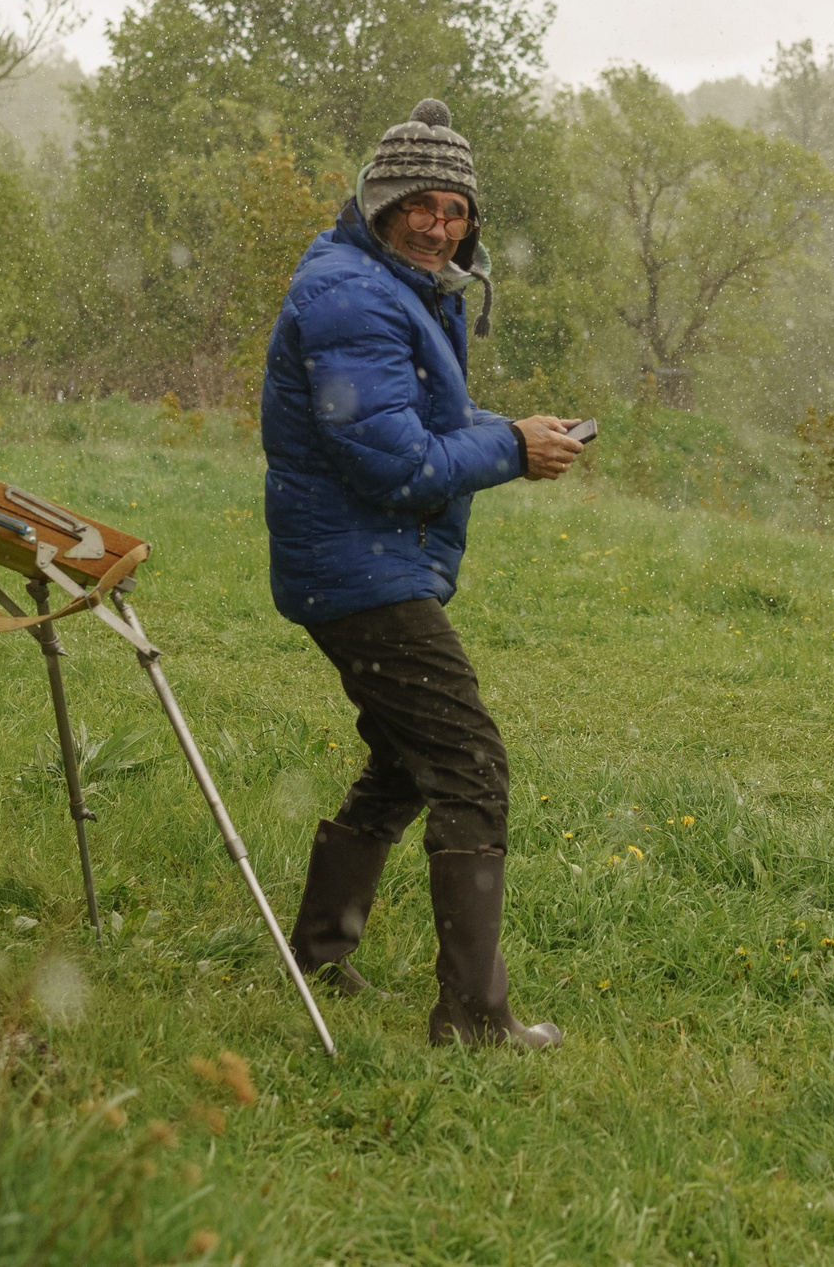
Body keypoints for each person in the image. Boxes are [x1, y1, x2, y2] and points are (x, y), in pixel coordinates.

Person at [260, 99, 585, 1048]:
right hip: (357, 568)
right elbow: (392, 463)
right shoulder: (352, 296)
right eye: (422, 205)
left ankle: (317, 951)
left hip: (366, 561)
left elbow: (426, 423)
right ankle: (475, 1018)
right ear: (382, 200)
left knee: (407, 760)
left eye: (457, 209)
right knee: (470, 763)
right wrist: (513, 451)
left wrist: (510, 431)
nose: (440, 225)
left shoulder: (394, 283)